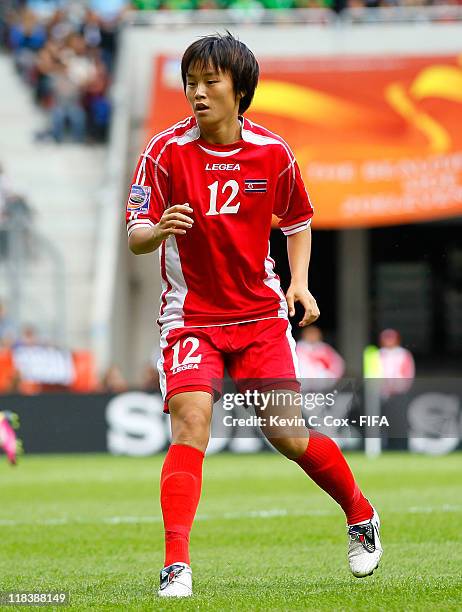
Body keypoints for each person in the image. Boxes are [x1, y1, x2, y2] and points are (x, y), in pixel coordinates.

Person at [126, 33, 382, 598]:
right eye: (190, 82)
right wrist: (157, 231)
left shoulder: (272, 152)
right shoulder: (163, 152)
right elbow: (137, 233)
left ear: (239, 91)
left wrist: (300, 283)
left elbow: (298, 219)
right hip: (189, 316)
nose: (197, 93)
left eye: (210, 82)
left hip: (260, 316)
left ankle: (360, 513)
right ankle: (176, 565)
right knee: (191, 422)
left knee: (288, 435)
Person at [296, 325, 345, 391]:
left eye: (314, 334)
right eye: (310, 333)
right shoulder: (296, 349)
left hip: (322, 390)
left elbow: (338, 365)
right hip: (301, 389)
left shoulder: (325, 349)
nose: (312, 336)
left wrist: (329, 380)